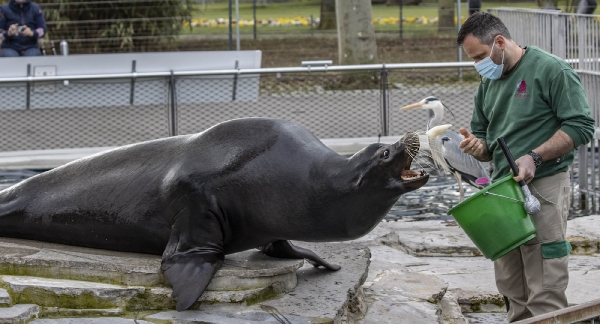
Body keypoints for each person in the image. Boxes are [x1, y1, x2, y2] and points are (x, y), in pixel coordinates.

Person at [456, 12, 595, 322]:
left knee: (544, 279)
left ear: (500, 42)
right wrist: (479, 148)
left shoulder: (550, 69)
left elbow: (582, 126)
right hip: (502, 191)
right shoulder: (487, 83)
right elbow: (484, 141)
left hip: (543, 183)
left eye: (480, 56)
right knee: (510, 281)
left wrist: (535, 156)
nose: (478, 65)